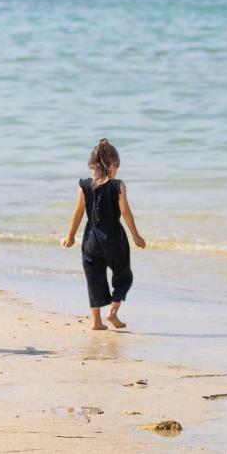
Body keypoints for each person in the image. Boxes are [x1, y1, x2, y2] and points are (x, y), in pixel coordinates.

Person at [61, 138, 146, 330]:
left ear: (92, 165)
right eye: (117, 167)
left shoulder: (84, 185)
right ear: (113, 165)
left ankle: (96, 321)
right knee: (124, 276)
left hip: (91, 238)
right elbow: (125, 212)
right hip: (114, 237)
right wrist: (136, 236)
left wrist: (70, 236)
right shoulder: (118, 185)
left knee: (94, 277)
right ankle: (113, 312)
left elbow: (78, 211)